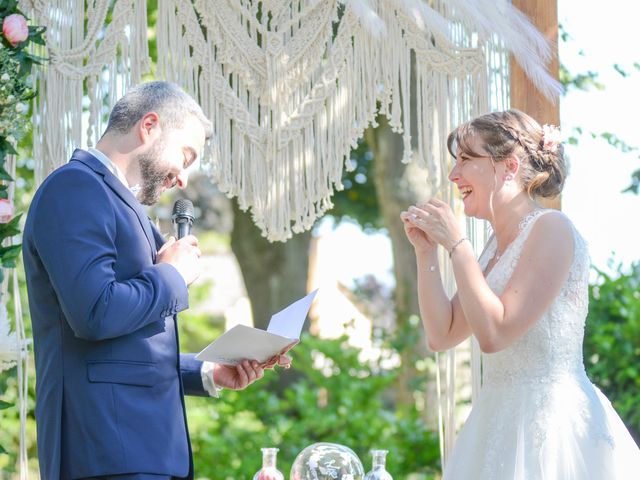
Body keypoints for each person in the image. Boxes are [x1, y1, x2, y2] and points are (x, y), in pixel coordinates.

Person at [22, 81, 288, 480]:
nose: (182, 178)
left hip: (142, 455)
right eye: (186, 155)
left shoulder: (117, 203)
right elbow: (95, 312)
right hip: (104, 456)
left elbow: (122, 354)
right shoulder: (75, 187)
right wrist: (172, 275)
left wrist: (208, 371)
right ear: (149, 126)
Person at [401, 109, 640, 479]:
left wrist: (456, 244)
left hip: (552, 427)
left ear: (508, 166)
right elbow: (441, 334)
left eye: (466, 159)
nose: (454, 175)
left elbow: (496, 334)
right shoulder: (492, 246)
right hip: (495, 420)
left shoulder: (552, 229)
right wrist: (426, 252)